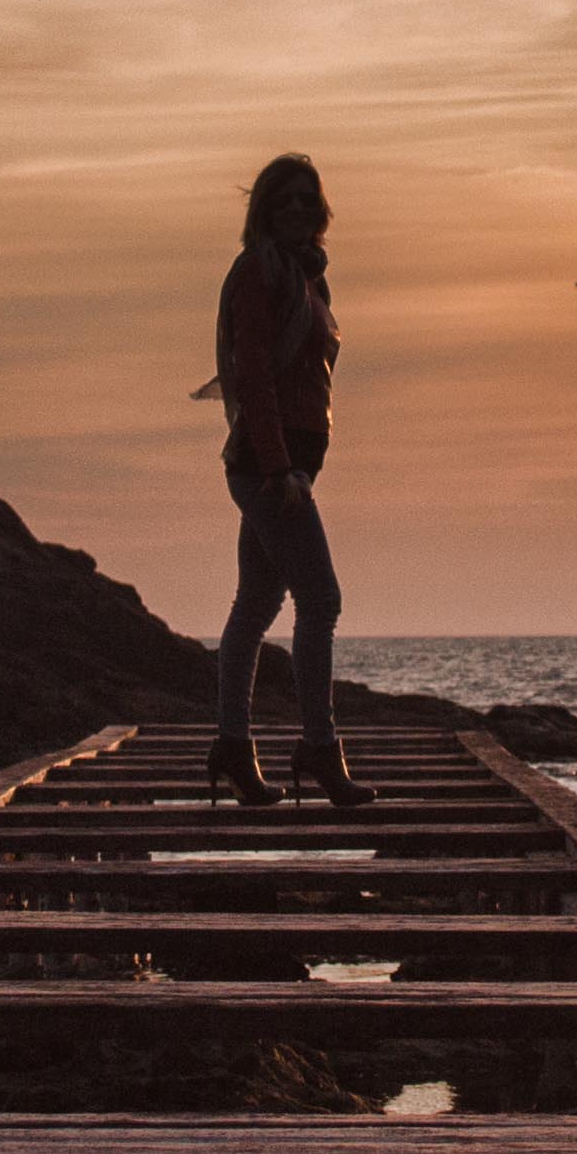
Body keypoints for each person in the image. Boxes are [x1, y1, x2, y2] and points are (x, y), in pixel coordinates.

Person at [200, 152, 363, 808]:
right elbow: (256, 376)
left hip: (291, 465)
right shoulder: (258, 273)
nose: (299, 208)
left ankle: (232, 751)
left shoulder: (306, 278)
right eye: (285, 199)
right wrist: (277, 469)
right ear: (264, 210)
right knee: (319, 601)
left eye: (308, 198)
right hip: (270, 469)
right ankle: (319, 750)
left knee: (255, 606)